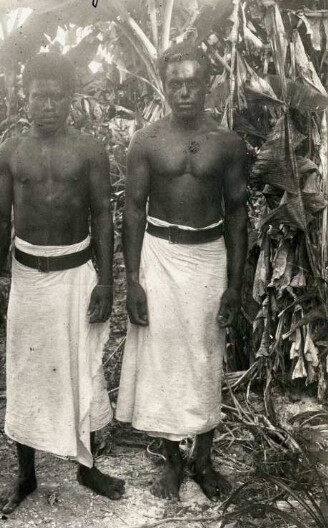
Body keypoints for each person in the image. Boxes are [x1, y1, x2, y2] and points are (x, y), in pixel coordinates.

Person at [0, 52, 124, 514]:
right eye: (38, 96)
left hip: (76, 274)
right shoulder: (9, 153)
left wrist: (105, 282)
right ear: (25, 98)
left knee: (84, 367)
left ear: (69, 99)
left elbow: (103, 214)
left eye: (56, 96)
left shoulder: (88, 150)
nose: (47, 105)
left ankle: (87, 466)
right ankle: (26, 475)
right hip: (29, 278)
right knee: (26, 376)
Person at [116, 42, 248, 501]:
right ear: (165, 86)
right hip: (160, 256)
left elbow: (237, 214)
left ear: (208, 84)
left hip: (207, 257)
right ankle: (172, 461)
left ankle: (204, 460)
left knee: (205, 355)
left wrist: (235, 284)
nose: (185, 92)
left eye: (194, 82)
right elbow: (132, 211)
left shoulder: (227, 143)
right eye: (177, 83)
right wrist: (132, 280)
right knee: (163, 359)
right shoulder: (147, 141)